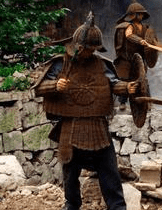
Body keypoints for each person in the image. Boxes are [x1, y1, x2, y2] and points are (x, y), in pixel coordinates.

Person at [34, 12, 139, 210]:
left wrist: (126, 88)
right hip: (70, 128)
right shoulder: (60, 63)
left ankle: (118, 207)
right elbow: (38, 87)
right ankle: (71, 206)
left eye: (94, 50)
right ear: (78, 47)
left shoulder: (101, 64)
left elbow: (112, 84)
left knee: (110, 172)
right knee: (70, 173)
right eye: (88, 50)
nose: (91, 53)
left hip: (98, 127)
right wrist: (55, 85)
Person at [113, 0, 159, 109]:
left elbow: (152, 39)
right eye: (139, 14)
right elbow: (128, 35)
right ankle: (122, 103)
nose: (141, 16)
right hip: (127, 58)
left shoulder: (145, 28)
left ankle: (145, 102)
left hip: (140, 58)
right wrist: (139, 40)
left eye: (142, 14)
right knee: (125, 79)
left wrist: (156, 45)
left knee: (142, 79)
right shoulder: (129, 26)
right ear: (134, 15)